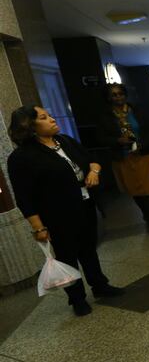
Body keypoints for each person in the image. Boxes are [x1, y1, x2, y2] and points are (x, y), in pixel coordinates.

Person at [6, 105, 125, 316]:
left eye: (50, 115)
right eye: (44, 117)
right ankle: (77, 298)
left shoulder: (66, 141)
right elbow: (24, 197)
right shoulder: (21, 157)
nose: (52, 119)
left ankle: (100, 285)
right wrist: (38, 227)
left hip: (85, 205)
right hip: (57, 214)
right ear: (30, 127)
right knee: (66, 256)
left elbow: (91, 160)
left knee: (89, 249)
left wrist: (94, 172)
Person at [97, 83, 149, 235]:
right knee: (134, 190)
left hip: (143, 155)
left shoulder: (138, 110)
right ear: (108, 97)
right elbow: (100, 138)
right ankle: (147, 217)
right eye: (114, 94)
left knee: (147, 189)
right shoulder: (105, 116)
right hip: (123, 158)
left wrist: (142, 144)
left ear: (125, 95)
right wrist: (117, 141)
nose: (118, 97)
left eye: (120, 93)